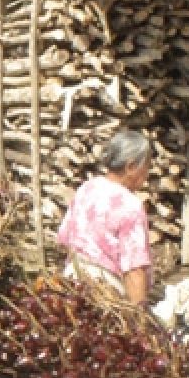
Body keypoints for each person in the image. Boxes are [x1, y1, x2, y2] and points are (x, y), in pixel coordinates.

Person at [57, 130, 153, 306]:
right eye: (146, 167)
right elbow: (134, 269)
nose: (147, 175)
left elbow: (64, 238)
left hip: (71, 286)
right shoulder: (129, 205)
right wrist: (141, 319)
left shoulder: (88, 188)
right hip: (104, 296)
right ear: (131, 166)